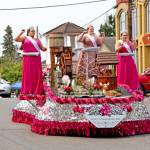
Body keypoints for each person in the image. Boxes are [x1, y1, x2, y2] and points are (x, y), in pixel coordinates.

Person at [15, 27, 47, 105]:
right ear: (28, 32)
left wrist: (45, 48)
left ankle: (37, 91)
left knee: (36, 74)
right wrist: (21, 32)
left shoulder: (37, 40)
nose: (33, 32)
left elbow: (42, 48)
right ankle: (27, 91)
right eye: (32, 31)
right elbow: (16, 39)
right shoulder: (24, 38)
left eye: (34, 31)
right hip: (27, 59)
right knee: (28, 74)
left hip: (36, 59)